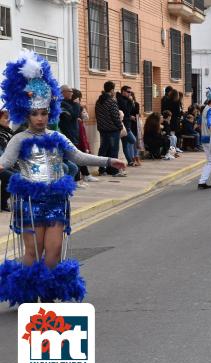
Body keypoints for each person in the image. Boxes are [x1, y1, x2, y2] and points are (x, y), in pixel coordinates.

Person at [0, 51, 126, 305]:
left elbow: (78, 157)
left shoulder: (58, 138)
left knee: (54, 251)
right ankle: (28, 295)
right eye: (34, 113)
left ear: (50, 113)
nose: (39, 118)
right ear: (27, 114)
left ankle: (45, 294)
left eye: (43, 113)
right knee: (33, 252)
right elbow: (4, 163)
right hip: (29, 203)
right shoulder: (19, 139)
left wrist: (108, 160)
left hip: (56, 201)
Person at [96, 81, 127, 177]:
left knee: (103, 149)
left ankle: (102, 169)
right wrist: (120, 126)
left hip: (102, 129)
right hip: (112, 130)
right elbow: (115, 116)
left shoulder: (99, 101)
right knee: (113, 151)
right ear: (112, 90)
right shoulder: (111, 101)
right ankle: (113, 170)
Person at [72, 89, 100, 184]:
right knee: (79, 155)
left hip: (79, 132)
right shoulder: (75, 107)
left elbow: (85, 117)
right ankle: (80, 177)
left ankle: (85, 175)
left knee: (81, 155)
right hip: (76, 134)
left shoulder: (78, 107)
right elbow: (84, 117)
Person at [0, 109, 15, 211]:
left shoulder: (9, 132)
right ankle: (3, 202)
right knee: (11, 176)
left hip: (7, 163)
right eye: (5, 118)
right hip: (2, 163)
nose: (9, 120)